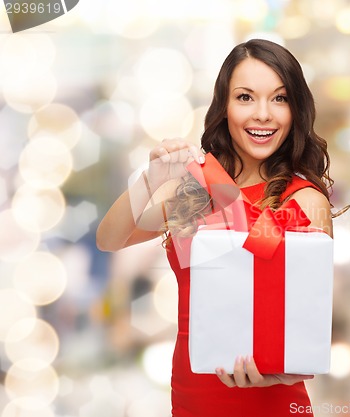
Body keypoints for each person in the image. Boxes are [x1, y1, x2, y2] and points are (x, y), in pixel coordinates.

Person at [97, 38, 336, 417]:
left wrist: (278, 377)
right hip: (193, 397)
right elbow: (110, 239)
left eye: (279, 98)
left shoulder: (305, 200)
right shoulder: (196, 189)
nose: (263, 114)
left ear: (296, 110)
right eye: (245, 97)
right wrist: (153, 177)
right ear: (224, 106)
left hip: (269, 402)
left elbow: (310, 326)